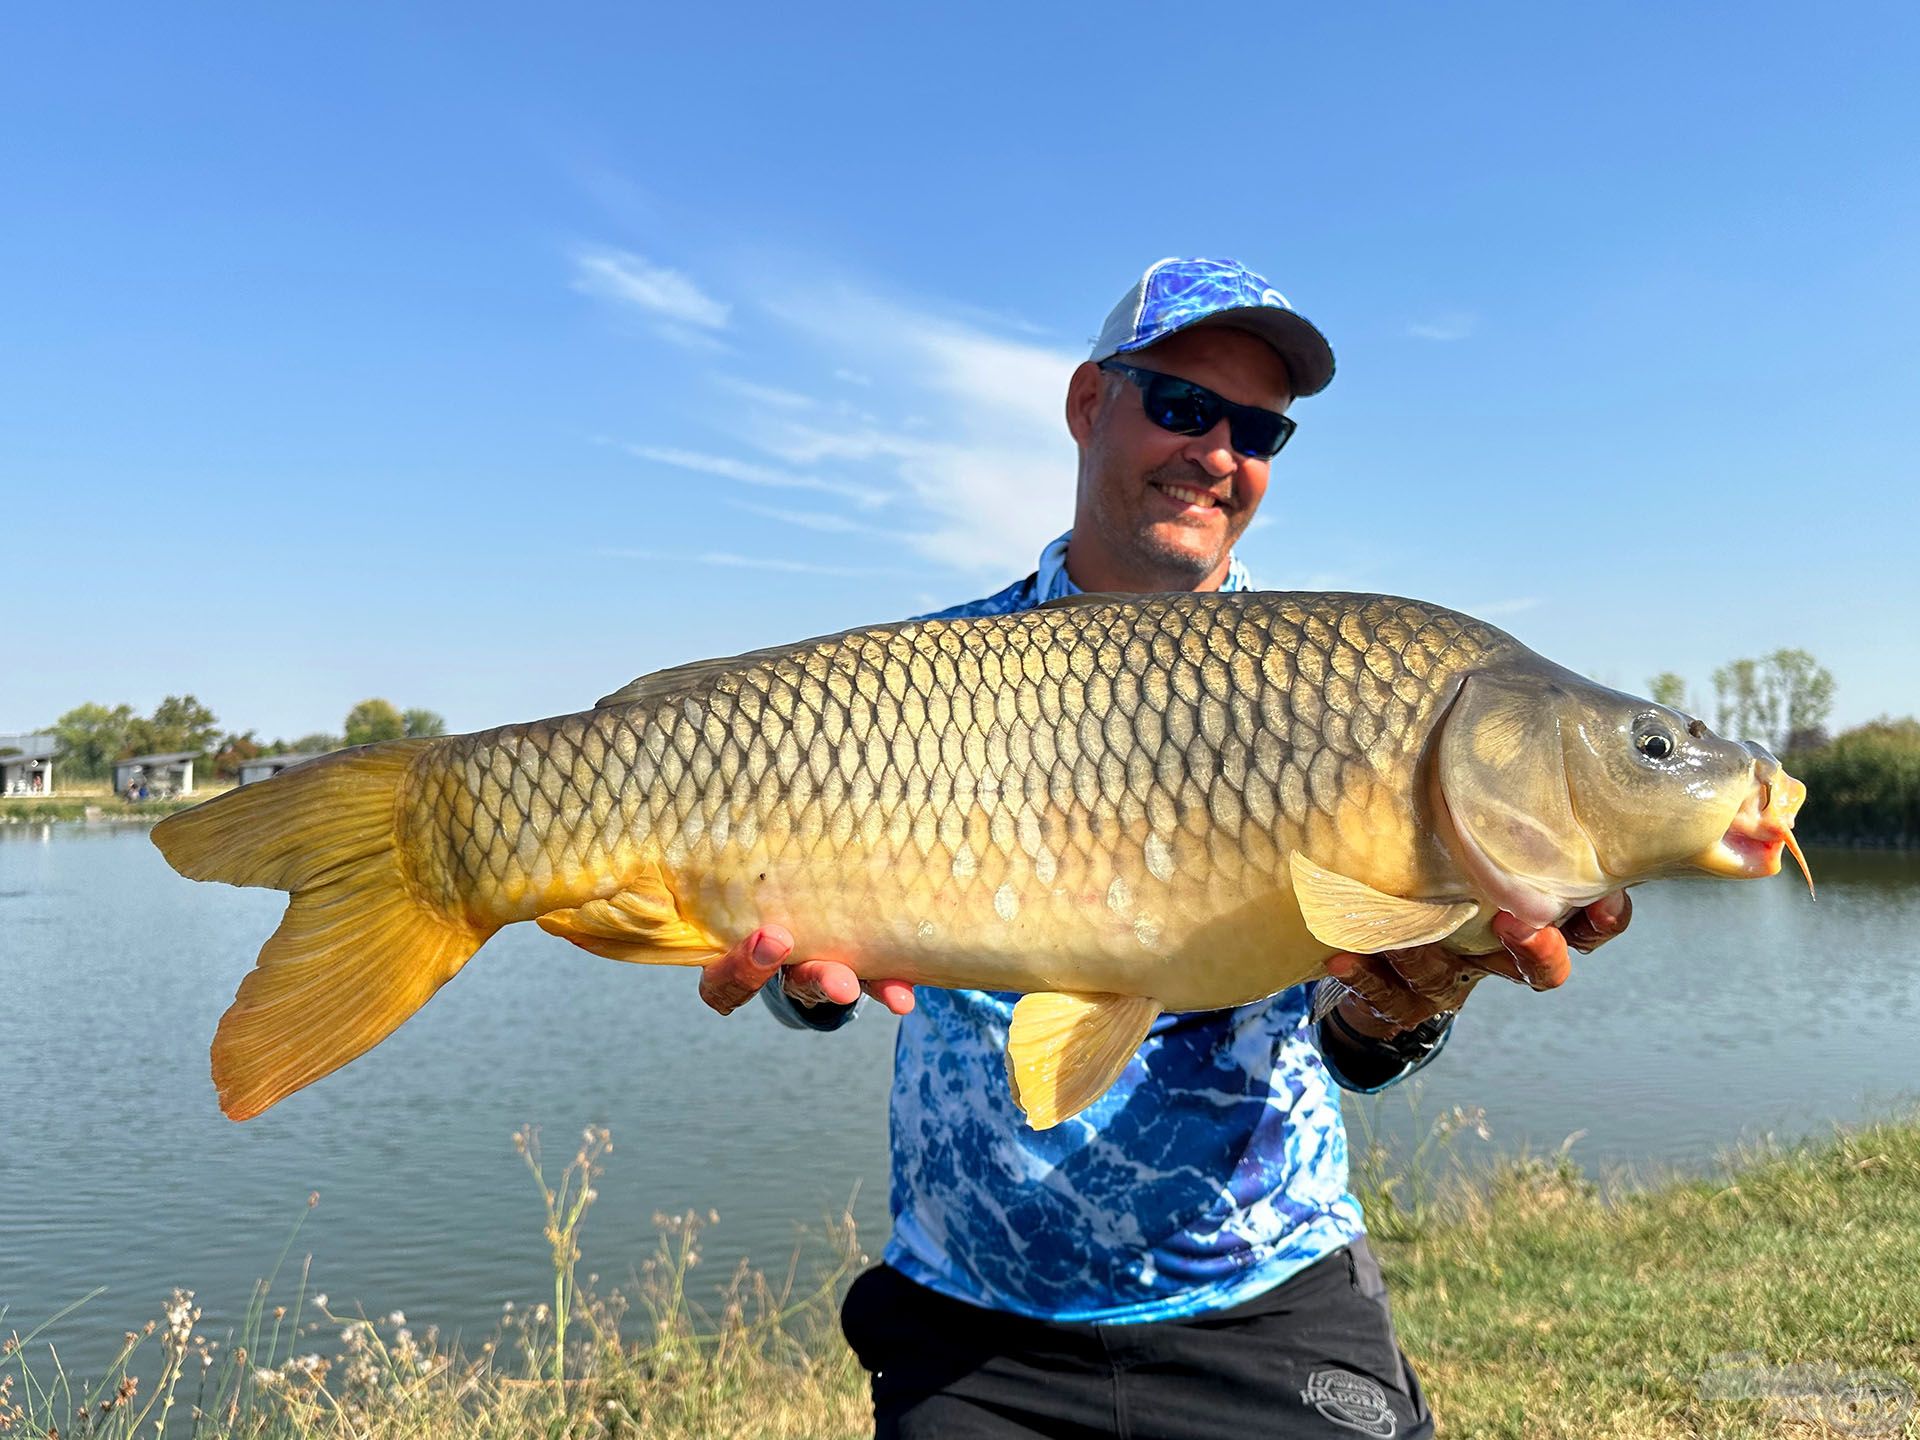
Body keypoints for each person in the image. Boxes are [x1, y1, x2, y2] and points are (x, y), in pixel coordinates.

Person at [699, 258, 1631, 1439]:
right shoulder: (909, 682)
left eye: (1259, 430)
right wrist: (802, 989)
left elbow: (1357, 1045)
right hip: (969, 1325)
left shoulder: (1355, 687)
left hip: (1267, 1298)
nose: (1219, 453)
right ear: (1091, 404)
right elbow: (810, 977)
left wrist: (1413, 1006)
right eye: (1183, 406)